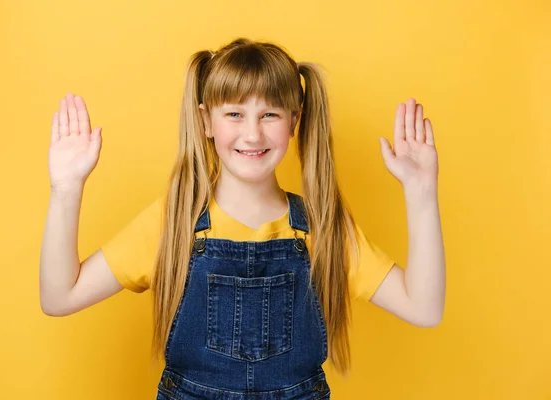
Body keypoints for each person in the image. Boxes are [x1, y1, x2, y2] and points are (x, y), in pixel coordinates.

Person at [40, 37, 446, 399]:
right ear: (206, 121)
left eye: (269, 115)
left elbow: (424, 309)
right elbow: (60, 297)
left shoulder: (322, 224)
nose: (252, 134)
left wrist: (422, 192)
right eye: (234, 114)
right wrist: (66, 189)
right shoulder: (174, 221)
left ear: (295, 121)